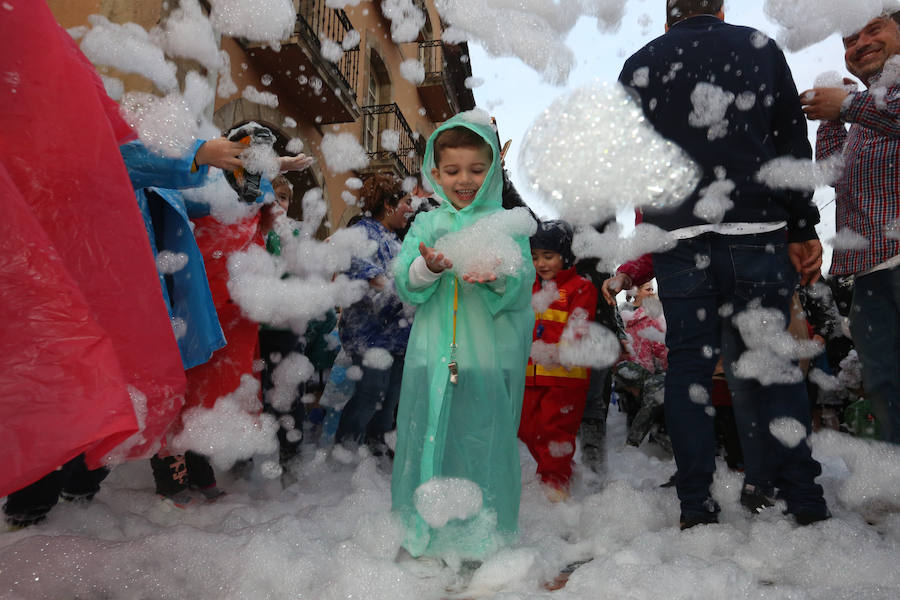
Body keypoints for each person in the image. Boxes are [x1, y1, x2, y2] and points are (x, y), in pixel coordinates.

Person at [605, 0, 829, 529]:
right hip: (756, 226)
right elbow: (790, 143)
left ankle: (695, 505)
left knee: (689, 369)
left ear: (667, 18)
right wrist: (802, 226)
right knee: (773, 362)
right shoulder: (759, 48)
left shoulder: (639, 63)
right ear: (721, 10)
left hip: (680, 235)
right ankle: (804, 500)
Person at [391, 113, 535, 560]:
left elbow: (522, 279)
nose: (465, 180)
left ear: (492, 169)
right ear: (435, 173)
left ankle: (481, 534)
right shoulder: (428, 224)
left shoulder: (507, 223)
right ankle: (422, 527)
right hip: (431, 355)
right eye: (452, 171)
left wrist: (497, 279)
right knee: (427, 434)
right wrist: (426, 267)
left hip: (485, 358)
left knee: (480, 442)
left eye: (477, 169)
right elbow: (404, 281)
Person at [800, 11, 900, 445]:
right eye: (849, 39)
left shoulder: (875, 105)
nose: (858, 44)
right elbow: (833, 174)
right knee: (884, 384)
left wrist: (846, 105)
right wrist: (833, 119)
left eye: (873, 31)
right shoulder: (865, 111)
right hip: (869, 271)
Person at [334, 173, 414, 452]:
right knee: (371, 393)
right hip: (368, 336)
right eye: (407, 201)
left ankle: (375, 449)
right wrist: (407, 293)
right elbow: (374, 280)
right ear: (390, 204)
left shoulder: (396, 241)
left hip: (398, 338)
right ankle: (345, 452)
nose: (411, 208)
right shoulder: (361, 233)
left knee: (390, 398)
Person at [519, 220, 598, 501]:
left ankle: (555, 482)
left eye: (548, 256)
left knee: (556, 431)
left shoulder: (580, 288)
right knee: (525, 427)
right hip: (530, 374)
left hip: (566, 378)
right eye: (535, 256)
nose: (541, 263)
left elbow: (579, 324)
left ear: (565, 256)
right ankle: (558, 468)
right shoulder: (529, 287)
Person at [614, 282, 669, 449]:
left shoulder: (654, 316)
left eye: (653, 289)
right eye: (648, 289)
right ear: (635, 291)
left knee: (658, 390)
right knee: (655, 389)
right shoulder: (621, 315)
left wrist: (671, 368)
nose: (652, 293)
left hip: (646, 371)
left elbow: (659, 348)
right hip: (624, 367)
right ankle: (636, 441)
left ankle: (649, 438)